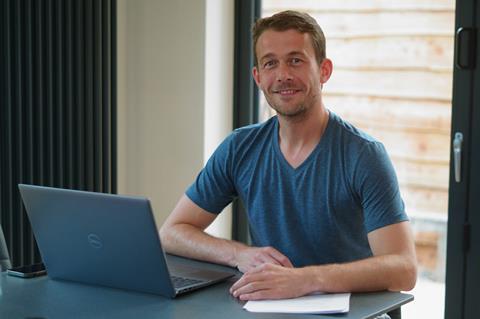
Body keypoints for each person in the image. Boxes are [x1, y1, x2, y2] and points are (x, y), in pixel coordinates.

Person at [159, 10, 417, 301]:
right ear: (258, 77)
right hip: (271, 306)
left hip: (349, 310)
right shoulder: (239, 148)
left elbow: (404, 268)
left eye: (296, 60)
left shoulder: (364, 155)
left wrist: (305, 280)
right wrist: (240, 254)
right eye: (270, 63)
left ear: (324, 71)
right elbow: (172, 232)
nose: (283, 75)